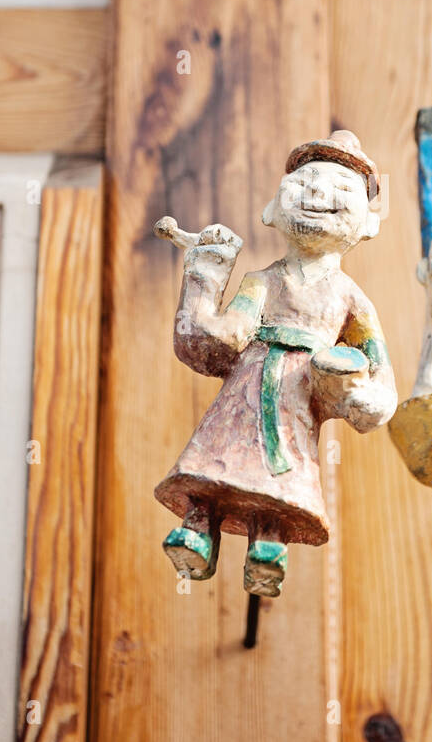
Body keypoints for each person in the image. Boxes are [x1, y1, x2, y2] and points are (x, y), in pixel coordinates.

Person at [154, 130, 396, 597]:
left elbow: (379, 374)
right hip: (244, 390)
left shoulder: (351, 299)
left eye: (343, 189)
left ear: (368, 225)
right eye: (304, 181)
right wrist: (205, 272)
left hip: (297, 404)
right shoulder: (261, 282)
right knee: (215, 463)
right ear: (271, 210)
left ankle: (269, 544)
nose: (319, 192)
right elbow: (219, 342)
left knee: (283, 474)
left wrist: (359, 396)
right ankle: (197, 527)